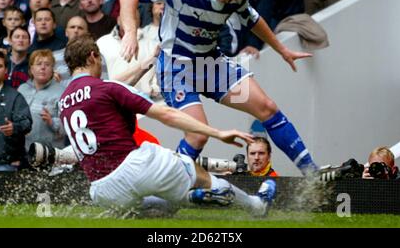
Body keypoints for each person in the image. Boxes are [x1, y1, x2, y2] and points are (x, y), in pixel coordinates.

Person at [28, 35, 276, 216]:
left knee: (159, 207)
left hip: (101, 189)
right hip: (134, 166)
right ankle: (256, 206)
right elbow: (166, 114)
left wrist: (146, 62)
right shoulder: (106, 88)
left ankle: (174, 201)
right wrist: (217, 132)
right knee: (193, 170)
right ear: (93, 56)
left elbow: (112, 92)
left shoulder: (65, 100)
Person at [120, 0, 318, 175]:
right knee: (198, 135)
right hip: (176, 69)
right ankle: (170, 187)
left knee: (267, 108)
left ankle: (311, 176)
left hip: (210, 64)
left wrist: (282, 50)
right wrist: (130, 33)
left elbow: (253, 20)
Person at [0, 49, 32, 171]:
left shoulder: (15, 97)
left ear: (6, 70)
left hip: (4, 163)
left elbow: (27, 123)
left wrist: (15, 128)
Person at [18, 49, 65, 151]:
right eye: (39, 64)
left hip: (50, 152)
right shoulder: (22, 89)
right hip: (23, 152)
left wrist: (52, 121)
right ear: (31, 69)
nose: (43, 67)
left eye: (47, 64)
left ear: (52, 69)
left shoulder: (62, 92)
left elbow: (67, 125)